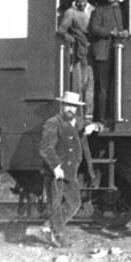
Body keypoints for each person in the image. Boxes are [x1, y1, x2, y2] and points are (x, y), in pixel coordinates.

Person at [38, 91, 100, 247]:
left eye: (73, 106)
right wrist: (55, 166)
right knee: (55, 203)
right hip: (56, 171)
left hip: (70, 171)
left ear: (77, 108)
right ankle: (58, 236)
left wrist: (94, 126)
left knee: (74, 203)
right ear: (62, 105)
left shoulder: (78, 122)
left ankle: (48, 226)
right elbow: (45, 148)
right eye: (67, 105)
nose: (70, 109)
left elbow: (100, 126)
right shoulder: (53, 123)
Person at [89, 0, 129, 124]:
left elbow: (128, 26)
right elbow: (94, 28)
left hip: (120, 52)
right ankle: (100, 118)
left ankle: (114, 116)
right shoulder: (99, 10)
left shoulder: (125, 10)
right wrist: (110, 32)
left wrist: (126, 32)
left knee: (117, 85)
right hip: (103, 53)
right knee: (102, 87)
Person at [58, 0, 95, 120]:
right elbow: (61, 30)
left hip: (94, 51)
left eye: (83, 1)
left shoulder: (93, 10)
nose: (81, 4)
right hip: (80, 51)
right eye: (79, 1)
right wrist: (70, 38)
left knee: (91, 83)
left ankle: (89, 114)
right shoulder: (70, 13)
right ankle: (79, 114)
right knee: (79, 83)